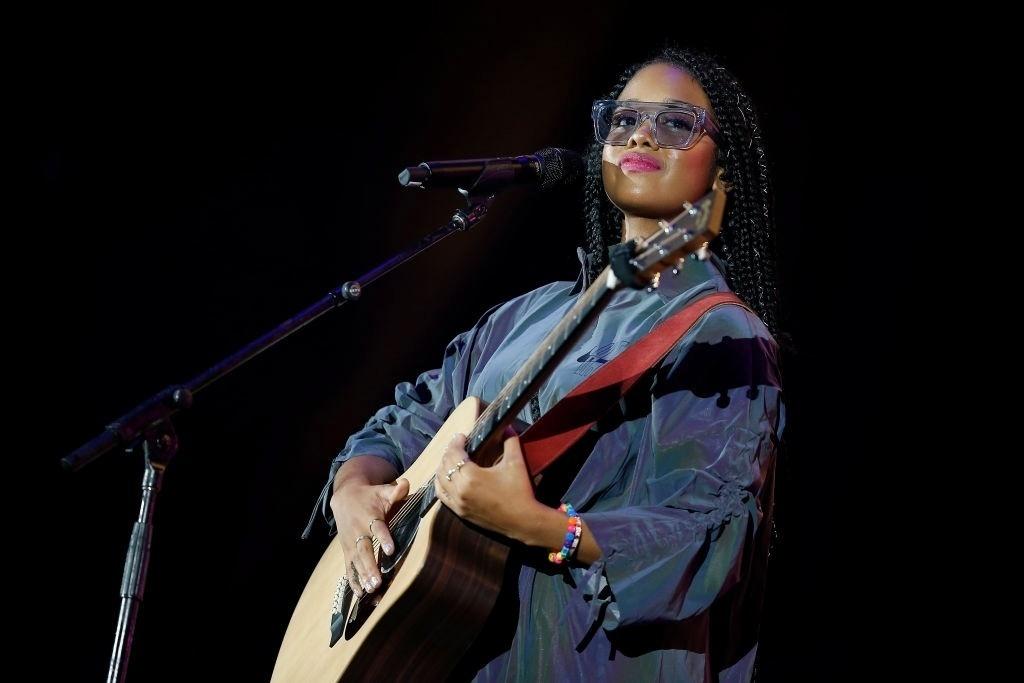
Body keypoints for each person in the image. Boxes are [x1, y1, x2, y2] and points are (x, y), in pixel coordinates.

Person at [314, 46, 785, 682]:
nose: (641, 133)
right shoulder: (528, 315)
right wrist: (353, 492)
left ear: (720, 170)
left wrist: (539, 526)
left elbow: (706, 537)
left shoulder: (719, 335)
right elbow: (408, 419)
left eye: (677, 122)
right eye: (623, 120)